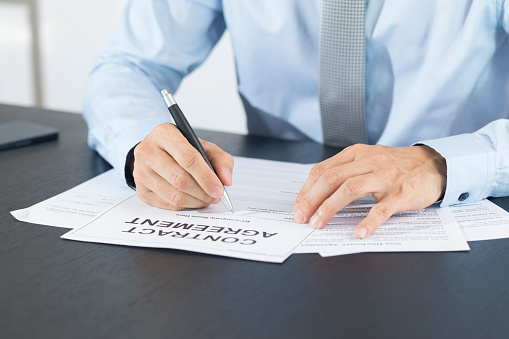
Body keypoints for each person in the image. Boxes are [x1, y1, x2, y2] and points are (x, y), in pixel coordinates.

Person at [83, 0, 509, 239]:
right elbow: (130, 64)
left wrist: (441, 163)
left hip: (461, 217)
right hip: (282, 225)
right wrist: (143, 144)